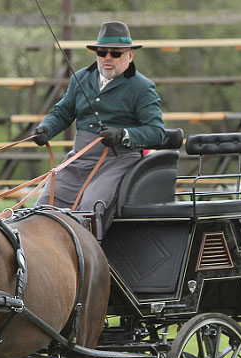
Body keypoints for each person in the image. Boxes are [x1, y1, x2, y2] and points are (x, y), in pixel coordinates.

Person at [31, 21, 165, 232]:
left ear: (130, 56)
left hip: (118, 160)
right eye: (102, 53)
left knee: (90, 207)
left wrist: (123, 135)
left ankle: (92, 261)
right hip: (80, 157)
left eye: (115, 53)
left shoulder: (142, 87)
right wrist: (46, 129)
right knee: (45, 206)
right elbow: (63, 111)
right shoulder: (81, 78)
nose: (108, 58)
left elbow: (157, 132)